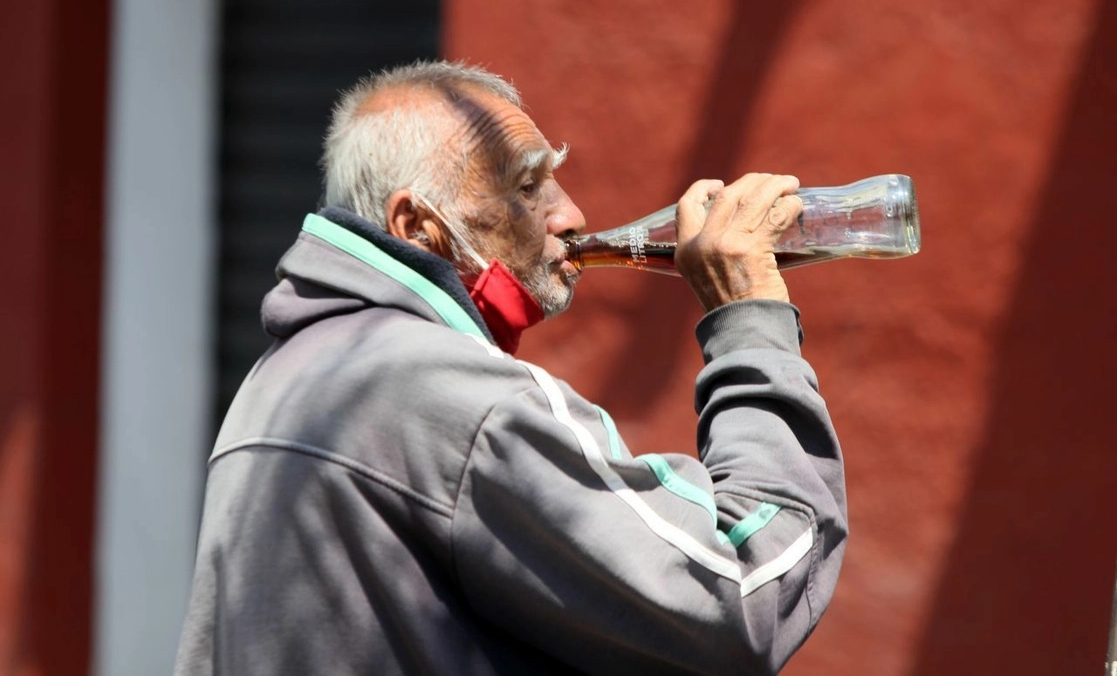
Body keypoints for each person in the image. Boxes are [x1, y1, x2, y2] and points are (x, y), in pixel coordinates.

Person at [174, 60, 848, 676]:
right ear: (415, 225)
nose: (571, 215)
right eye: (528, 185)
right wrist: (749, 320)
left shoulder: (283, 373)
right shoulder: (448, 390)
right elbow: (742, 599)